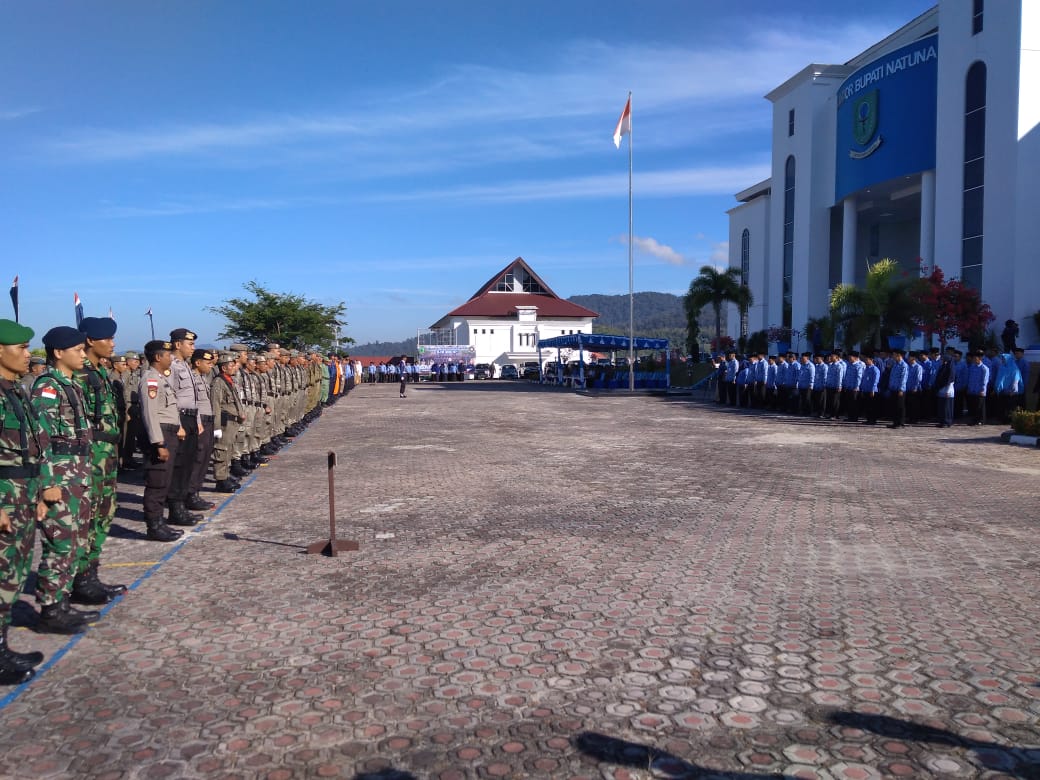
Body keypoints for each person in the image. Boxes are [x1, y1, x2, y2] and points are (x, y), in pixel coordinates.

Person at [30, 327, 100, 633]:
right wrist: (47, 483)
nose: (83, 354)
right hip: (60, 476)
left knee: (74, 542)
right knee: (59, 543)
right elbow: (40, 440)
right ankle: (51, 609)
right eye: (77, 350)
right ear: (59, 353)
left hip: (77, 474)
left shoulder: (71, 384)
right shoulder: (48, 387)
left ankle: (63, 601)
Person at [0, 319, 53, 684]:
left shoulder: (14, 391)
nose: (27, 354)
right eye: (20, 348)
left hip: (22, 493)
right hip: (4, 497)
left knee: (14, 574)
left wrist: (37, 493)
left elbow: (31, 447)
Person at [71, 317, 127, 604]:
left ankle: (90, 575)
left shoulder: (100, 373)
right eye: (108, 338)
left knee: (104, 513)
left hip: (107, 455)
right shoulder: (79, 376)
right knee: (88, 516)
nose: (113, 343)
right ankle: (80, 580)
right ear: (90, 340)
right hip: (91, 457)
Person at [138, 341, 185, 542]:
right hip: (161, 435)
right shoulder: (151, 380)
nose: (171, 358)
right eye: (168, 355)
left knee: (165, 481)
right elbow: (150, 413)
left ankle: (160, 523)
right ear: (158, 357)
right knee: (157, 482)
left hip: (169, 432)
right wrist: (159, 443)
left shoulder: (160, 379)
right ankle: (154, 526)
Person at [166, 328, 203, 526]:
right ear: (177, 344)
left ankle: (182, 503)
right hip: (179, 419)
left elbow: (193, 398)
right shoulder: (170, 365)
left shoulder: (185, 366)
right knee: (179, 465)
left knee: (189, 462)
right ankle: (175, 507)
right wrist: (177, 424)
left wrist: (196, 422)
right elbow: (170, 397)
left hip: (190, 418)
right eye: (190, 344)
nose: (193, 348)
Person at [186, 349, 217, 511]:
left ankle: (195, 491)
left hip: (208, 420)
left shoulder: (203, 378)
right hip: (200, 421)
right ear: (197, 363)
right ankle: (190, 494)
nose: (211, 366)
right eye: (208, 363)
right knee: (197, 458)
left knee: (205, 458)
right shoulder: (191, 378)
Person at [210, 352, 244, 493]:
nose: (234, 367)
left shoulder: (228, 380)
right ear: (223, 368)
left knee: (228, 449)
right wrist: (216, 427)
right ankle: (220, 480)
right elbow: (215, 406)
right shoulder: (218, 382)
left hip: (232, 422)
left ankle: (226, 475)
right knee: (221, 450)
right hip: (224, 422)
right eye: (231, 365)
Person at [887, 348, 908, 429]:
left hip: (900, 389)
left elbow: (903, 378)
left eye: (894, 355)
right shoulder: (895, 364)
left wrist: (901, 389)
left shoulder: (904, 365)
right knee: (894, 406)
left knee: (900, 406)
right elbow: (892, 377)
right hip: (893, 388)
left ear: (898, 355)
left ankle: (901, 423)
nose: (893, 356)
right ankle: (895, 422)